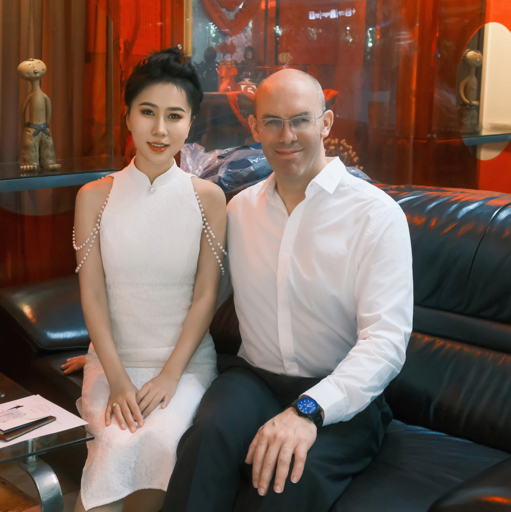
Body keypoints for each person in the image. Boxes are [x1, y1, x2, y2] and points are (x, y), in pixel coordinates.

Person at [161, 69, 414, 512]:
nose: (287, 135)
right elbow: (201, 296)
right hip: (253, 378)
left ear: (326, 123)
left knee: (286, 481)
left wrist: (309, 410)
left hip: (341, 393)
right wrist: (132, 347)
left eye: (300, 120)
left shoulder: (376, 216)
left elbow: (386, 341)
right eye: (273, 122)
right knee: (203, 441)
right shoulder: (239, 210)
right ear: (254, 127)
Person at [72, 48, 226, 512]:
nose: (160, 129)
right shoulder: (94, 196)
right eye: (147, 112)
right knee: (114, 441)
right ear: (127, 117)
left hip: (184, 364)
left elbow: (206, 296)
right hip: (113, 363)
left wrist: (171, 375)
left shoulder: (209, 198)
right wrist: (117, 379)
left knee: (160, 438)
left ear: (190, 123)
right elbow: (93, 294)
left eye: (174, 116)